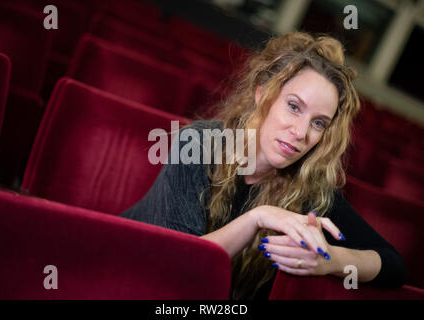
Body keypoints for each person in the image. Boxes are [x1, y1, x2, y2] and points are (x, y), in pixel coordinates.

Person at [120, 32, 406, 299]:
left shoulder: (310, 189)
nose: (301, 132)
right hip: (124, 278)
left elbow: (394, 266)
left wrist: (329, 259)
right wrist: (258, 218)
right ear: (262, 95)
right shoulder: (200, 143)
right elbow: (177, 262)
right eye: (294, 107)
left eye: (318, 123)